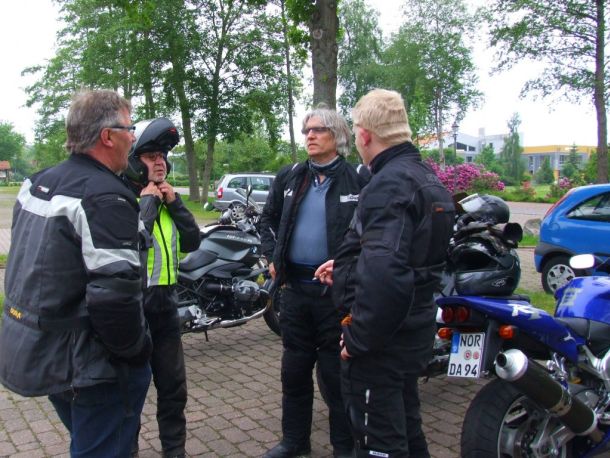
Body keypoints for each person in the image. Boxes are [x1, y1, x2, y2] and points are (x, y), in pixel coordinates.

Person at [0, 89, 153, 457]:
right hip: (93, 365)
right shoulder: (106, 196)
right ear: (108, 136)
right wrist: (136, 352)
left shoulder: (38, 182)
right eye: (129, 128)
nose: (134, 137)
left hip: (49, 353)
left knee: (89, 442)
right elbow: (115, 296)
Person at [315, 89, 455, 457]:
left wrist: (358, 339)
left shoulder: (388, 184)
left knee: (380, 441)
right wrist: (348, 265)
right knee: (407, 427)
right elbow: (410, 254)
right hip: (414, 329)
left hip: (384, 343)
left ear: (364, 135)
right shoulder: (426, 177)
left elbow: (387, 275)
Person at [260, 107, 369, 458]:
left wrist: (349, 265)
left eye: (318, 130)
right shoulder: (291, 176)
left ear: (337, 136)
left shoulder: (358, 178)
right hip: (294, 292)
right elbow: (268, 220)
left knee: (336, 376)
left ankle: (344, 448)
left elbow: (373, 232)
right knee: (294, 371)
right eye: (307, 130)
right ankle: (294, 441)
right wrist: (271, 257)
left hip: (336, 295)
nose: (309, 135)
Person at [123, 118, 200, 458]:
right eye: (151, 156)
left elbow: (193, 241)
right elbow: (131, 247)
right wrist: (148, 204)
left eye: (163, 156)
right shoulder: (125, 198)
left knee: (173, 389)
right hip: (134, 309)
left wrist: (174, 203)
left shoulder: (166, 197)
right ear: (133, 160)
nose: (160, 162)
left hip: (166, 305)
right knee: (130, 393)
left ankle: (175, 451)